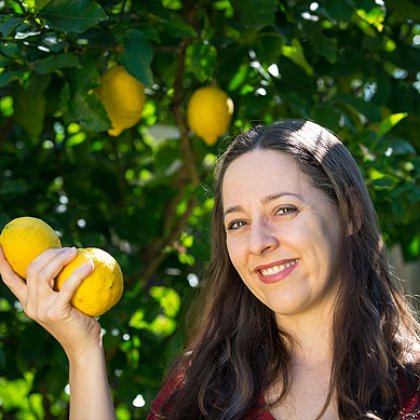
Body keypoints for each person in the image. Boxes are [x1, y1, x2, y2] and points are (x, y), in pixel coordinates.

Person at [0, 119, 419, 419]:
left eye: (284, 209)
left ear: (348, 213)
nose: (259, 243)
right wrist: (82, 349)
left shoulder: (412, 387)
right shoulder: (204, 388)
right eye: (237, 223)